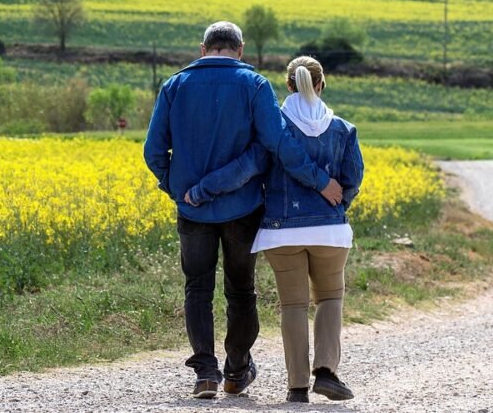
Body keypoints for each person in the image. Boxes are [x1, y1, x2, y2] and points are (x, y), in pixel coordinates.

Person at [143, 22, 344, 399]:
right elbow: (276, 144)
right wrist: (318, 180)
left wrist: (179, 190)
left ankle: (205, 373)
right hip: (243, 208)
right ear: (241, 49)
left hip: (192, 211)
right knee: (241, 290)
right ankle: (236, 371)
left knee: (197, 288)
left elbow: (153, 151)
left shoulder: (174, 85)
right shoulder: (254, 86)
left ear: (203, 49)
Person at [187, 56, 363, 403]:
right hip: (330, 232)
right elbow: (352, 179)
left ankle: (297, 387)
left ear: (288, 86)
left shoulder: (274, 129)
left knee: (293, 306)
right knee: (329, 298)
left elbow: (246, 167)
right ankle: (326, 372)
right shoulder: (343, 129)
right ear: (322, 84)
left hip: (280, 233)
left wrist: (202, 190)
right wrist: (336, 208)